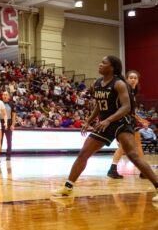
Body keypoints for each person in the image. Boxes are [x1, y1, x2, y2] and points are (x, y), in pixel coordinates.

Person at [52, 56, 158, 201]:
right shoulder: (97, 83)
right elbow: (99, 104)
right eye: (100, 62)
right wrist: (88, 121)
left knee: (133, 155)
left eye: (104, 63)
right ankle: (68, 187)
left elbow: (126, 107)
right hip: (104, 124)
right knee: (84, 153)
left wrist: (109, 119)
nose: (100, 64)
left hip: (121, 122)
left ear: (112, 67)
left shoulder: (119, 84)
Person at [107, 70, 146, 179]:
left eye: (135, 78)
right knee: (130, 146)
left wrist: (140, 119)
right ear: (127, 79)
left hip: (130, 120)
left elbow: (131, 111)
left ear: (138, 81)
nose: (133, 79)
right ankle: (143, 170)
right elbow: (123, 108)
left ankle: (113, 169)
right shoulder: (126, 91)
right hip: (125, 121)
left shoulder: (132, 92)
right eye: (131, 77)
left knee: (133, 145)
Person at [1, 91, 16, 161]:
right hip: (0, 123)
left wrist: (13, 124)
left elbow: (13, 116)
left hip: (9, 123)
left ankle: (8, 155)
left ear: (9, 96)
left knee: (9, 140)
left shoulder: (12, 104)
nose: (5, 96)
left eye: (6, 94)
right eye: (3, 94)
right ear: (2, 96)